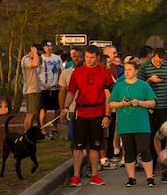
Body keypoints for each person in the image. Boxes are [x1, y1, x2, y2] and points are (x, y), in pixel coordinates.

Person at [60, 45, 114, 187]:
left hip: (97, 112)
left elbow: (108, 97)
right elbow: (71, 92)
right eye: (87, 57)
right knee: (78, 146)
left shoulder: (104, 74)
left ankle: (95, 175)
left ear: (97, 57)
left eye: (92, 58)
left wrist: (107, 115)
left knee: (95, 146)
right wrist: (65, 107)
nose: (89, 60)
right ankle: (76, 176)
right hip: (80, 112)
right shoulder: (77, 73)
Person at [108, 59, 157, 187]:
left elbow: (152, 102)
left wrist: (139, 102)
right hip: (126, 123)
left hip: (141, 123)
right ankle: (131, 177)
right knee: (129, 150)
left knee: (144, 149)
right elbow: (111, 103)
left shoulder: (144, 85)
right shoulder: (119, 86)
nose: (127, 72)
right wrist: (122, 103)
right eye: (125, 70)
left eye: (130, 69)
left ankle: (149, 177)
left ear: (136, 71)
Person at [138, 47, 167, 157]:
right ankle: (154, 160)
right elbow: (140, 86)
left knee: (166, 134)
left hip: (165, 104)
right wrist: (149, 80)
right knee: (152, 134)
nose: (159, 64)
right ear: (152, 56)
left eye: (161, 61)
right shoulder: (145, 67)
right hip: (151, 106)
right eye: (156, 61)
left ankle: (166, 159)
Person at [38, 39, 62, 139]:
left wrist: (59, 81)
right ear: (43, 48)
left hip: (55, 88)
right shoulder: (41, 59)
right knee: (43, 109)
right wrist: (43, 85)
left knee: (58, 109)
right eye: (47, 46)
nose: (49, 48)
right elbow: (36, 74)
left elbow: (60, 70)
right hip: (44, 88)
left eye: (51, 46)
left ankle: (54, 129)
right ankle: (44, 130)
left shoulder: (57, 58)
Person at [58, 49, 84, 141]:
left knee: (85, 137)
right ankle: (75, 155)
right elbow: (62, 92)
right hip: (71, 109)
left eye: (80, 57)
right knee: (72, 137)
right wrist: (63, 110)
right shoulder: (66, 73)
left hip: (85, 110)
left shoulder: (87, 72)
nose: (77, 59)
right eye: (74, 57)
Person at [21, 44, 42, 131]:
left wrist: (37, 55)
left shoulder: (31, 59)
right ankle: (27, 134)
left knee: (32, 114)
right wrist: (34, 52)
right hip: (31, 91)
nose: (39, 56)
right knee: (30, 114)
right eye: (38, 54)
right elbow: (36, 64)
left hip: (35, 90)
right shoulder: (26, 59)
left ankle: (28, 133)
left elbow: (39, 62)